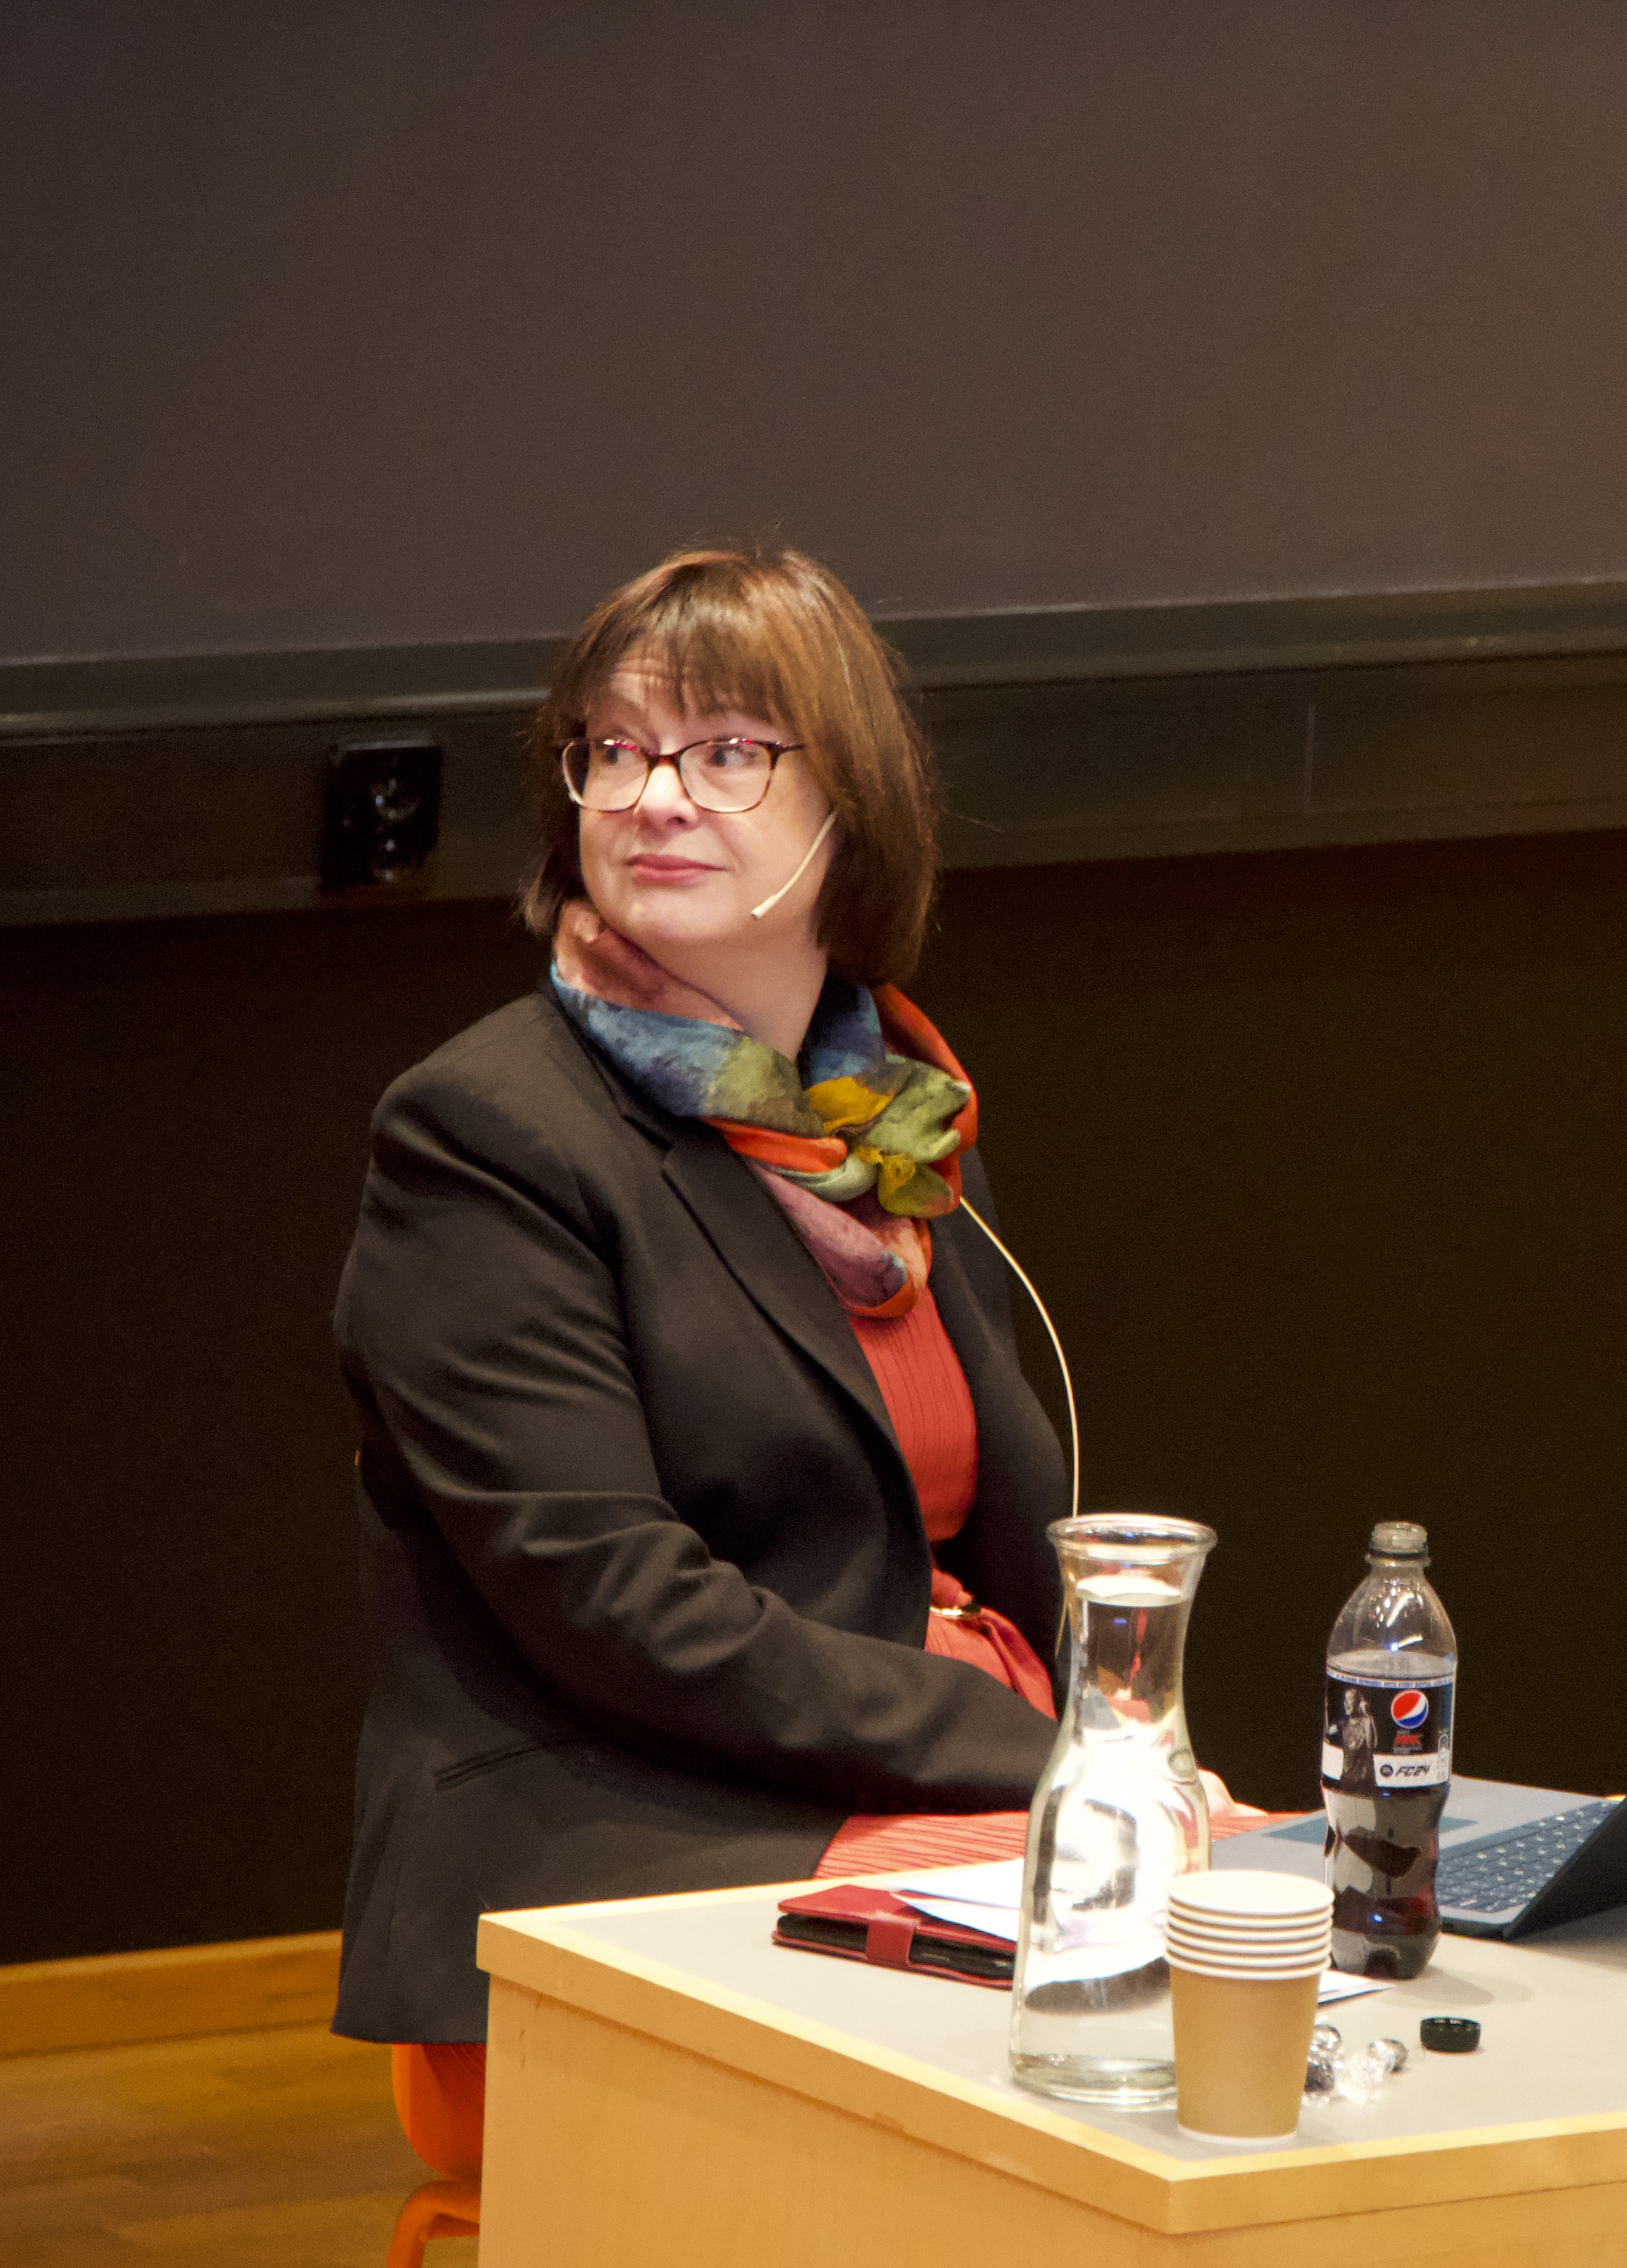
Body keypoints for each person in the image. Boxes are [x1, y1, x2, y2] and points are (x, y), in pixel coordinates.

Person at [331, 546, 1075, 2089]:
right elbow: (619, 1605)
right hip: (628, 1830)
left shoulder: (889, 1116)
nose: (654, 794)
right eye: (614, 747)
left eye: (727, 750)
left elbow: (1001, 1536)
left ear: (847, 802)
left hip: (941, 1779)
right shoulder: (486, 1132)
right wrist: (1039, 1756)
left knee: (1295, 1939)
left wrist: (1131, 1752)